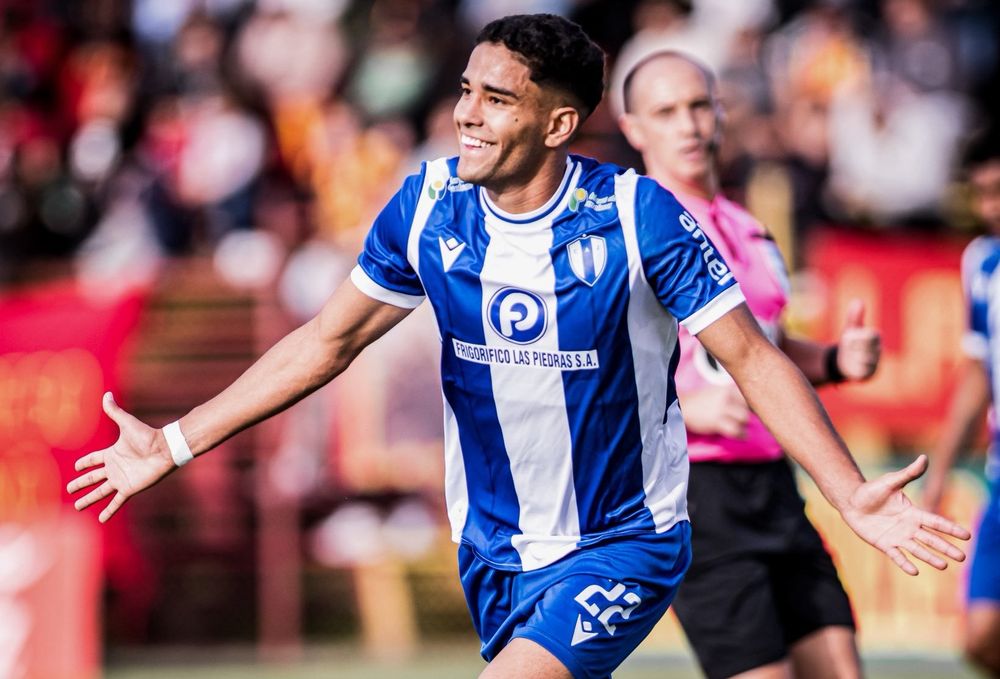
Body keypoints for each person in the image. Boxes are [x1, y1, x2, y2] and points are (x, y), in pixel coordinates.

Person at [68, 14, 969, 679]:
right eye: (466, 89)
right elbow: (326, 341)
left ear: (558, 125)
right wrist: (175, 440)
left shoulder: (634, 214)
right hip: (494, 548)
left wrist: (849, 492)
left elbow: (755, 355)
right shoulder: (427, 206)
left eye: (497, 99)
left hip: (625, 538)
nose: (466, 113)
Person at [617, 49, 875, 679]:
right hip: (693, 492)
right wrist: (688, 407)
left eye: (700, 105)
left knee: (841, 669)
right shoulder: (626, 230)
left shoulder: (747, 227)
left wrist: (837, 359)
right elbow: (586, 368)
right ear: (632, 128)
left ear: (721, 113)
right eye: (666, 111)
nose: (689, 125)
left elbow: (762, 351)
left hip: (773, 479)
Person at [923, 130, 1000, 677]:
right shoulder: (983, 263)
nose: (992, 206)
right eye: (983, 193)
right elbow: (979, 371)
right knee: (980, 639)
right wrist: (939, 471)